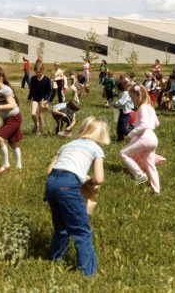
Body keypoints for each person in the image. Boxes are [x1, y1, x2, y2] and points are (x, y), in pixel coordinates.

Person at [45, 116, 110, 276]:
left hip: (51, 185)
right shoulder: (96, 149)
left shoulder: (66, 145)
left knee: (61, 228)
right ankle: (87, 274)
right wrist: (87, 182)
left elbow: (48, 171)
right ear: (101, 134)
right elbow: (99, 179)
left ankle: (52, 261)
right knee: (81, 230)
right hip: (68, 186)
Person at [119, 84, 161, 194]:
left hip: (145, 137)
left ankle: (140, 175)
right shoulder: (150, 107)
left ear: (139, 95)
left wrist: (130, 135)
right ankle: (156, 190)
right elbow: (157, 123)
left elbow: (143, 125)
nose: (132, 101)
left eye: (132, 98)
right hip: (152, 138)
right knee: (150, 165)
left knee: (123, 153)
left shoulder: (143, 108)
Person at [0, 67, 22, 173]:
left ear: (0, 78)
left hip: (14, 118)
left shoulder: (6, 89)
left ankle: (6, 165)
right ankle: (19, 165)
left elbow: (11, 105)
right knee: (13, 142)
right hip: (8, 119)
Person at [27, 63, 52, 134]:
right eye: (36, 72)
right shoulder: (33, 78)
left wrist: (46, 100)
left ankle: (40, 131)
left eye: (39, 72)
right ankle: (36, 125)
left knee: (40, 116)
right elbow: (31, 89)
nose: (38, 73)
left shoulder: (47, 79)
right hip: (35, 98)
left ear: (43, 71)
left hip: (43, 100)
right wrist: (29, 98)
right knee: (33, 114)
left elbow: (50, 91)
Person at [110, 77, 134, 142]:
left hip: (126, 113)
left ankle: (134, 137)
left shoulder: (126, 93)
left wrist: (114, 104)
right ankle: (120, 139)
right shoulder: (121, 92)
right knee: (119, 127)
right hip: (122, 111)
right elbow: (119, 98)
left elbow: (121, 102)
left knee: (123, 128)